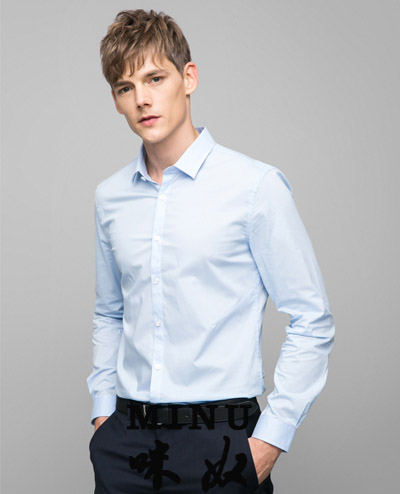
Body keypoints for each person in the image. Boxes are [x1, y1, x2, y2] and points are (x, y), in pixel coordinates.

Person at [87, 8, 335, 494]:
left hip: (222, 443)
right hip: (126, 442)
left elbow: (312, 318)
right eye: (125, 87)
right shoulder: (110, 197)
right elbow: (110, 313)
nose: (142, 99)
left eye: (155, 78)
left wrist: (269, 441)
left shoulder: (255, 187)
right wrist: (102, 418)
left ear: (189, 78)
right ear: (116, 100)